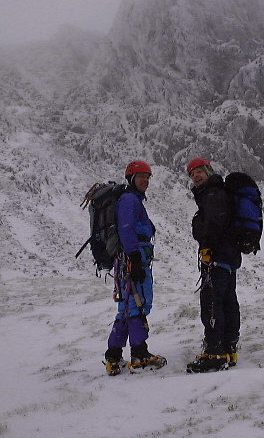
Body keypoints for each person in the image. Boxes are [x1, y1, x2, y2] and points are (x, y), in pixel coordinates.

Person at [103, 160, 166, 375]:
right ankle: (139, 354)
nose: (145, 180)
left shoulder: (130, 199)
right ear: (131, 178)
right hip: (132, 258)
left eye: (148, 177)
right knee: (138, 304)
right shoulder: (130, 200)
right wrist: (134, 258)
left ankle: (113, 356)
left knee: (126, 307)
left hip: (126, 260)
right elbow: (127, 228)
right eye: (141, 176)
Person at [185, 157, 241, 373]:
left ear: (208, 171)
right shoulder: (219, 192)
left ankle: (214, 351)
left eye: (199, 172)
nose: (196, 176)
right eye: (192, 174)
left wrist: (206, 246)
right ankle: (229, 347)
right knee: (227, 300)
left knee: (211, 301)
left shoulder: (212, 194)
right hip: (228, 256)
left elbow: (213, 225)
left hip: (215, 256)